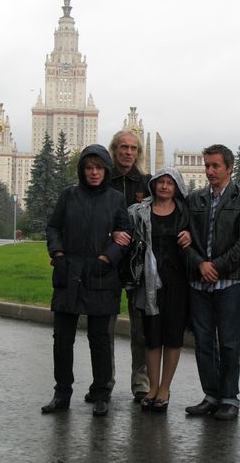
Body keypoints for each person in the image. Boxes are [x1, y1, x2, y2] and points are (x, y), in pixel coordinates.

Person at [41, 144, 130, 417]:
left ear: (106, 170)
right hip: (70, 271)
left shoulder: (116, 199)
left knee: (100, 338)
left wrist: (107, 258)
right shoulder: (69, 195)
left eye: (99, 168)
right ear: (82, 170)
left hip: (102, 274)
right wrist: (57, 252)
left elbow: (124, 232)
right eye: (89, 168)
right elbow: (54, 226)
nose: (94, 173)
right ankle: (62, 393)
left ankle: (101, 392)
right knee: (62, 338)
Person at [185, 144, 240, 421]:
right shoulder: (195, 199)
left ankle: (229, 398)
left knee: (228, 344)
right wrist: (200, 264)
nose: (210, 171)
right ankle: (211, 396)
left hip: (229, 285)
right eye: (207, 165)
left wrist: (217, 266)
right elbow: (183, 237)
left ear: (229, 167)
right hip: (199, 284)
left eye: (215, 166)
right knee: (203, 343)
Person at [90, 129, 152, 405]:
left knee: (141, 329)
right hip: (109, 263)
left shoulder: (147, 183)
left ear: (138, 153)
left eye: (133, 149)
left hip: (138, 266)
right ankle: (104, 382)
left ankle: (141, 384)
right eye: (123, 147)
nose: (128, 153)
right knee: (104, 329)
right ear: (114, 150)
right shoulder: (103, 180)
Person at [127, 167, 191, 413]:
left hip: (177, 282)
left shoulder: (186, 212)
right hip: (149, 283)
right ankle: (152, 387)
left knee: (173, 337)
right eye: (161, 182)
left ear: (176, 187)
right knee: (151, 337)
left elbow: (196, 238)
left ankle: (165, 388)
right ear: (153, 185)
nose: (165, 187)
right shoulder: (139, 211)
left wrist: (190, 237)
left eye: (170, 183)